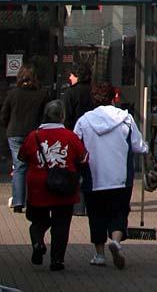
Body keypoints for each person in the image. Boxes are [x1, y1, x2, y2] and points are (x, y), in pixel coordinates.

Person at [74, 82, 148, 269]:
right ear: (113, 97)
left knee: (96, 215)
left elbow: (75, 146)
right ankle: (116, 241)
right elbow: (138, 145)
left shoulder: (84, 121)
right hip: (120, 177)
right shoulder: (125, 118)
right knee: (119, 211)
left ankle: (99, 255)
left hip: (94, 177)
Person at [18, 100, 88, 271]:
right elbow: (83, 158)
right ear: (62, 116)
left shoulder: (33, 136)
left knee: (37, 220)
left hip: (38, 186)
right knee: (61, 224)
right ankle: (57, 260)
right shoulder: (71, 136)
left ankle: (37, 243)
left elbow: (22, 158)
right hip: (64, 186)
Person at [2, 65, 49, 214]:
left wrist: (8, 126)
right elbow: (46, 115)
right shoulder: (42, 94)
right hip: (34, 133)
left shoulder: (12, 94)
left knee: (19, 166)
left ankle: (18, 202)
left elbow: (4, 114)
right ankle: (33, 200)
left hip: (15, 132)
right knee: (34, 166)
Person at [62, 59, 94, 130]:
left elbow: (66, 118)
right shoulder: (94, 91)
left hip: (75, 132)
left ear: (77, 76)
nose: (70, 78)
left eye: (71, 75)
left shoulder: (70, 93)